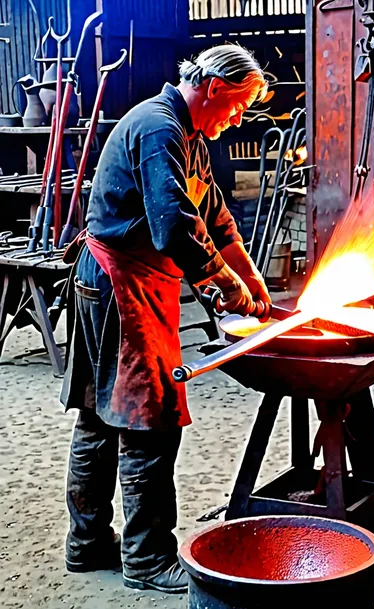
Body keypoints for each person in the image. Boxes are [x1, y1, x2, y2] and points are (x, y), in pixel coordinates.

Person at [60, 43, 271, 595]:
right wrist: (224, 287)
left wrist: (253, 283)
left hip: (124, 283)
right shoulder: (158, 130)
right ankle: (148, 559)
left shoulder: (189, 138)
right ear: (216, 89)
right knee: (146, 423)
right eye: (238, 106)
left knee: (101, 417)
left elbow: (216, 218)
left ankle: (87, 546)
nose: (237, 118)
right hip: (118, 286)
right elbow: (175, 229)